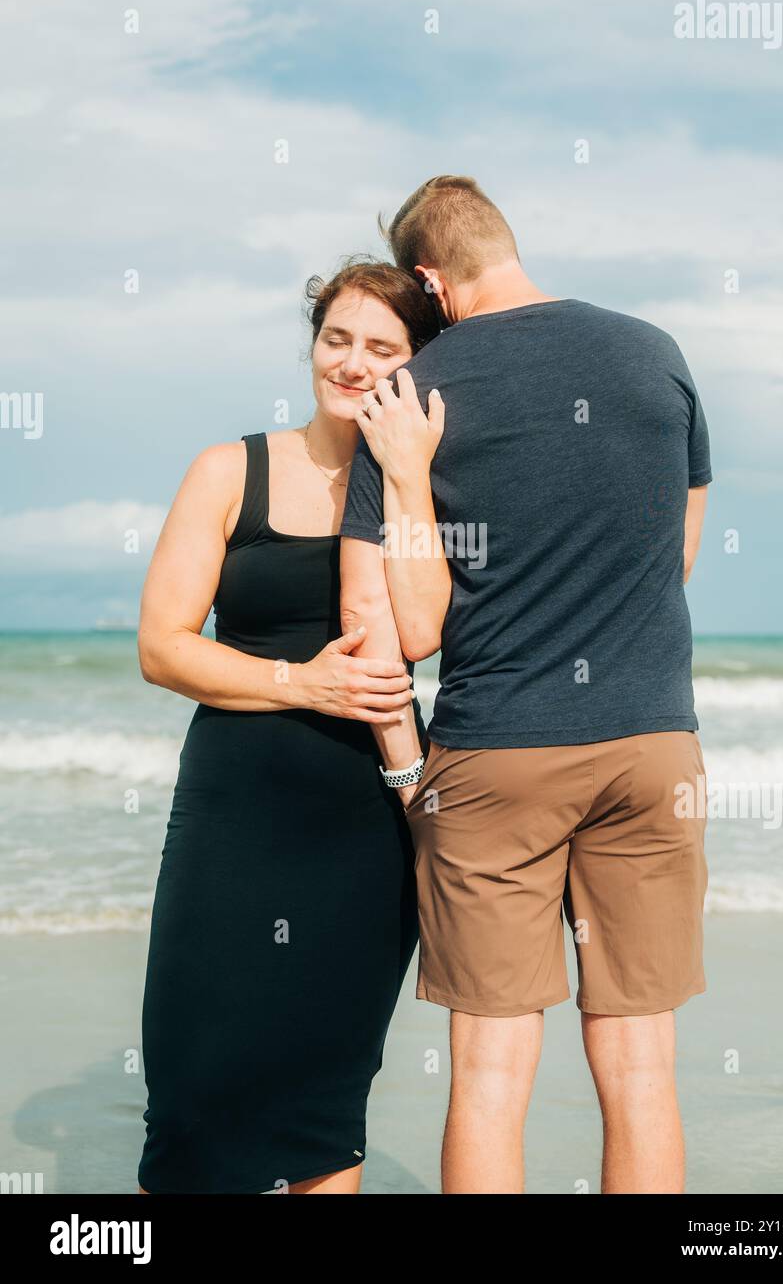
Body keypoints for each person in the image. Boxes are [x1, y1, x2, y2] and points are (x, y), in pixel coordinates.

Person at [339, 176, 712, 1195]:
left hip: (496, 752)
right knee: (640, 1067)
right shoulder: (653, 352)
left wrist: (410, 475)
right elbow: (673, 555)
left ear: (429, 278)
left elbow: (409, 630)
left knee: (490, 1073)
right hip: (650, 746)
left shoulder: (408, 396)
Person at [136, 260, 438, 1194]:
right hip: (235, 813)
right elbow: (163, 647)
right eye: (335, 339)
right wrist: (299, 683)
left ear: (417, 366)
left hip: (366, 820)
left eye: (381, 348)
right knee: (191, 1087)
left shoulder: (423, 490)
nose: (351, 364)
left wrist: (413, 481)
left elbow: (431, 634)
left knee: (324, 1101)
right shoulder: (231, 471)